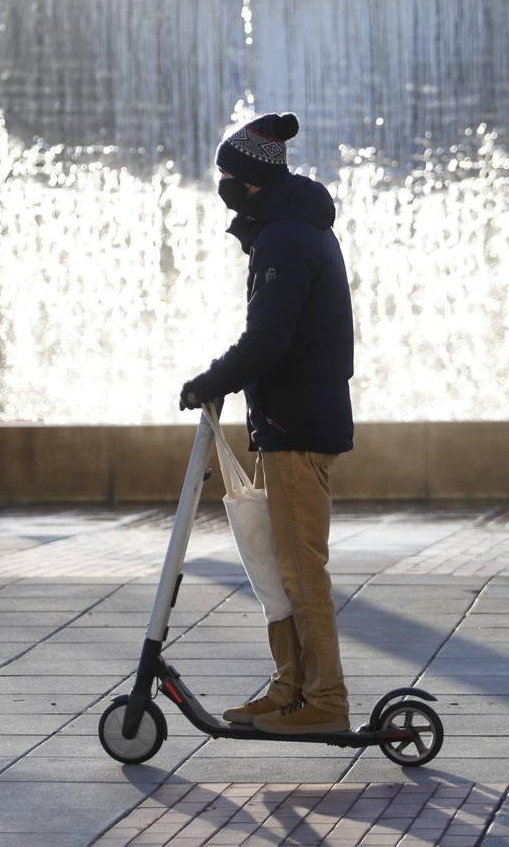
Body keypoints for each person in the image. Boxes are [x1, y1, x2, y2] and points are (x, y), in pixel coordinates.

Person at [179, 111, 355, 735]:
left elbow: (269, 340)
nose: (222, 182)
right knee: (282, 565)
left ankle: (325, 700)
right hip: (286, 422)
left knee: (302, 568)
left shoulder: (286, 238)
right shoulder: (287, 230)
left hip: (298, 424)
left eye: (228, 173)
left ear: (252, 179)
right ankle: (291, 687)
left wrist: (210, 380)